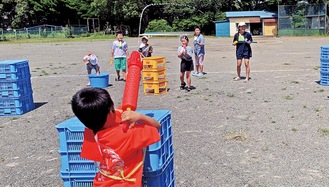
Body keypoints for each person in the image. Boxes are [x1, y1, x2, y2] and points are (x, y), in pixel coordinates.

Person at [71, 88, 161, 187]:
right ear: (110, 112)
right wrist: (140, 116)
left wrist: (132, 80)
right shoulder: (127, 135)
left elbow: (121, 110)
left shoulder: (91, 132)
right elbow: (156, 127)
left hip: (101, 183)